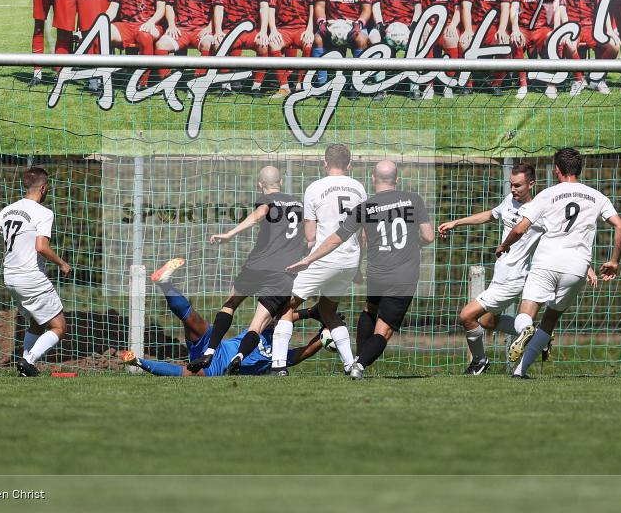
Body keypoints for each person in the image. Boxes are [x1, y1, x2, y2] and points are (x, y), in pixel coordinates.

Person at [288, 160, 434, 379]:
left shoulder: (365, 207)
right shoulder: (414, 200)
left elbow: (336, 239)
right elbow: (428, 237)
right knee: (383, 331)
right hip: (403, 275)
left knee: (369, 310)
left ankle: (356, 359)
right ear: (397, 180)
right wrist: (414, 244)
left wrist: (309, 259)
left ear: (373, 179)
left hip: (377, 272)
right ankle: (359, 365)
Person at [496, 148, 621, 379]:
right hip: (576, 268)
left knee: (527, 310)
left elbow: (520, 228)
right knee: (550, 319)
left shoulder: (548, 194)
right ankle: (521, 372)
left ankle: (525, 329)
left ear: (557, 169)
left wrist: (504, 245)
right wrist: (614, 261)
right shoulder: (597, 196)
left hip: (547, 261)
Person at [185, 166, 305, 374]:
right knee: (257, 326)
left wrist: (230, 233)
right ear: (281, 182)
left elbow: (260, 214)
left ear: (260, 184)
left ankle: (211, 351)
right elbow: (309, 236)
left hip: (256, 267)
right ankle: (240, 356)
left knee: (230, 304)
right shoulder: (299, 204)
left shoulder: (265, 200)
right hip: (282, 273)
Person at [0, 168, 72, 377]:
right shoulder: (44, 213)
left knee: (38, 322)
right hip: (31, 277)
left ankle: (24, 367)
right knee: (59, 327)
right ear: (44, 188)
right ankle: (28, 361)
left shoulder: (9, 210)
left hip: (10, 278)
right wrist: (62, 263)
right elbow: (41, 247)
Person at [123, 260, 324, 376]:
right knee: (192, 321)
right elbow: (288, 319)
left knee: (185, 370)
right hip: (216, 348)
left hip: (217, 365)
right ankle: (164, 283)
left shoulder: (281, 357)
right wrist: (311, 313)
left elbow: (304, 352)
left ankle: (138, 361)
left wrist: (324, 336)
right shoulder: (268, 332)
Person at [438, 163, 548, 374]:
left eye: (518, 185)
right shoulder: (509, 200)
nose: (513, 189)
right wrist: (456, 223)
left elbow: (559, 237)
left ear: (531, 184)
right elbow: (490, 215)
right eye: (511, 184)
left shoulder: (538, 213)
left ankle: (479, 361)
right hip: (501, 275)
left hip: (513, 278)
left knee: (466, 316)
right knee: (487, 320)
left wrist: (585, 265)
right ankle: (538, 335)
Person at [271, 144, 366, 376]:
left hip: (324, 258)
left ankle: (278, 366)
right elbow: (363, 233)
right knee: (328, 310)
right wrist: (358, 267)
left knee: (286, 305)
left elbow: (311, 237)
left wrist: (304, 256)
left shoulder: (315, 188)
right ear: (349, 164)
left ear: (325, 163)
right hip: (350, 260)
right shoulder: (359, 188)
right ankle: (349, 365)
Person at [211, 0, 272, 94]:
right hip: (230, 29)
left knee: (263, 44)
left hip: (252, 30)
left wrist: (263, 31)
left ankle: (256, 86)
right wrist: (218, 30)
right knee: (219, 43)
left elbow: (264, 7)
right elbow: (219, 7)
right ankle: (226, 86)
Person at [559, 0, 620, 95]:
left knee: (614, 46)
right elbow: (561, 9)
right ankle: (578, 80)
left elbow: (602, 9)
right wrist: (566, 30)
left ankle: (597, 79)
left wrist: (609, 30)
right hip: (573, 27)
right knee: (570, 45)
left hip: (592, 27)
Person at [312, 0, 373, 95]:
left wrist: (359, 24)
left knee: (361, 39)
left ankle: (356, 83)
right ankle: (321, 83)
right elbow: (319, 6)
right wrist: (321, 22)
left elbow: (366, 9)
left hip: (354, 24)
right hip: (332, 24)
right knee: (318, 38)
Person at [509, 0, 562, 99]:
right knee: (516, 40)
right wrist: (515, 29)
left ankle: (551, 84)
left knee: (554, 40)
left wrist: (556, 31)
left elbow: (556, 7)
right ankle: (523, 85)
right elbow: (514, 7)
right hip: (524, 27)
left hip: (542, 27)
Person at [370, 0, 424, 99]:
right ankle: (380, 87)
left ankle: (414, 87)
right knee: (373, 38)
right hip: (386, 26)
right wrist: (380, 25)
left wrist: (413, 26)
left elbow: (418, 5)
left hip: (406, 26)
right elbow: (376, 3)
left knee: (417, 43)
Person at [458, 0, 513, 95]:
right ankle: (467, 85)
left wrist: (502, 29)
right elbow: (466, 7)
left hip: (493, 28)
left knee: (504, 42)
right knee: (464, 42)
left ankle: (495, 83)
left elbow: (505, 8)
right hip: (475, 26)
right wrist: (468, 30)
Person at [267, 0, 317, 98]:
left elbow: (312, 7)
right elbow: (270, 7)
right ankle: (284, 87)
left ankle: (301, 84)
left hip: (302, 28)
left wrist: (310, 29)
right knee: (273, 43)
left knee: (309, 43)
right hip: (283, 29)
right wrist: (273, 30)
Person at [419, 0, 461, 99]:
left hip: (447, 25)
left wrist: (453, 25)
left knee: (452, 38)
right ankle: (428, 84)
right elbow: (418, 7)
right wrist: (422, 25)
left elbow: (458, 9)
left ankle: (447, 83)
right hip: (428, 25)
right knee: (424, 36)